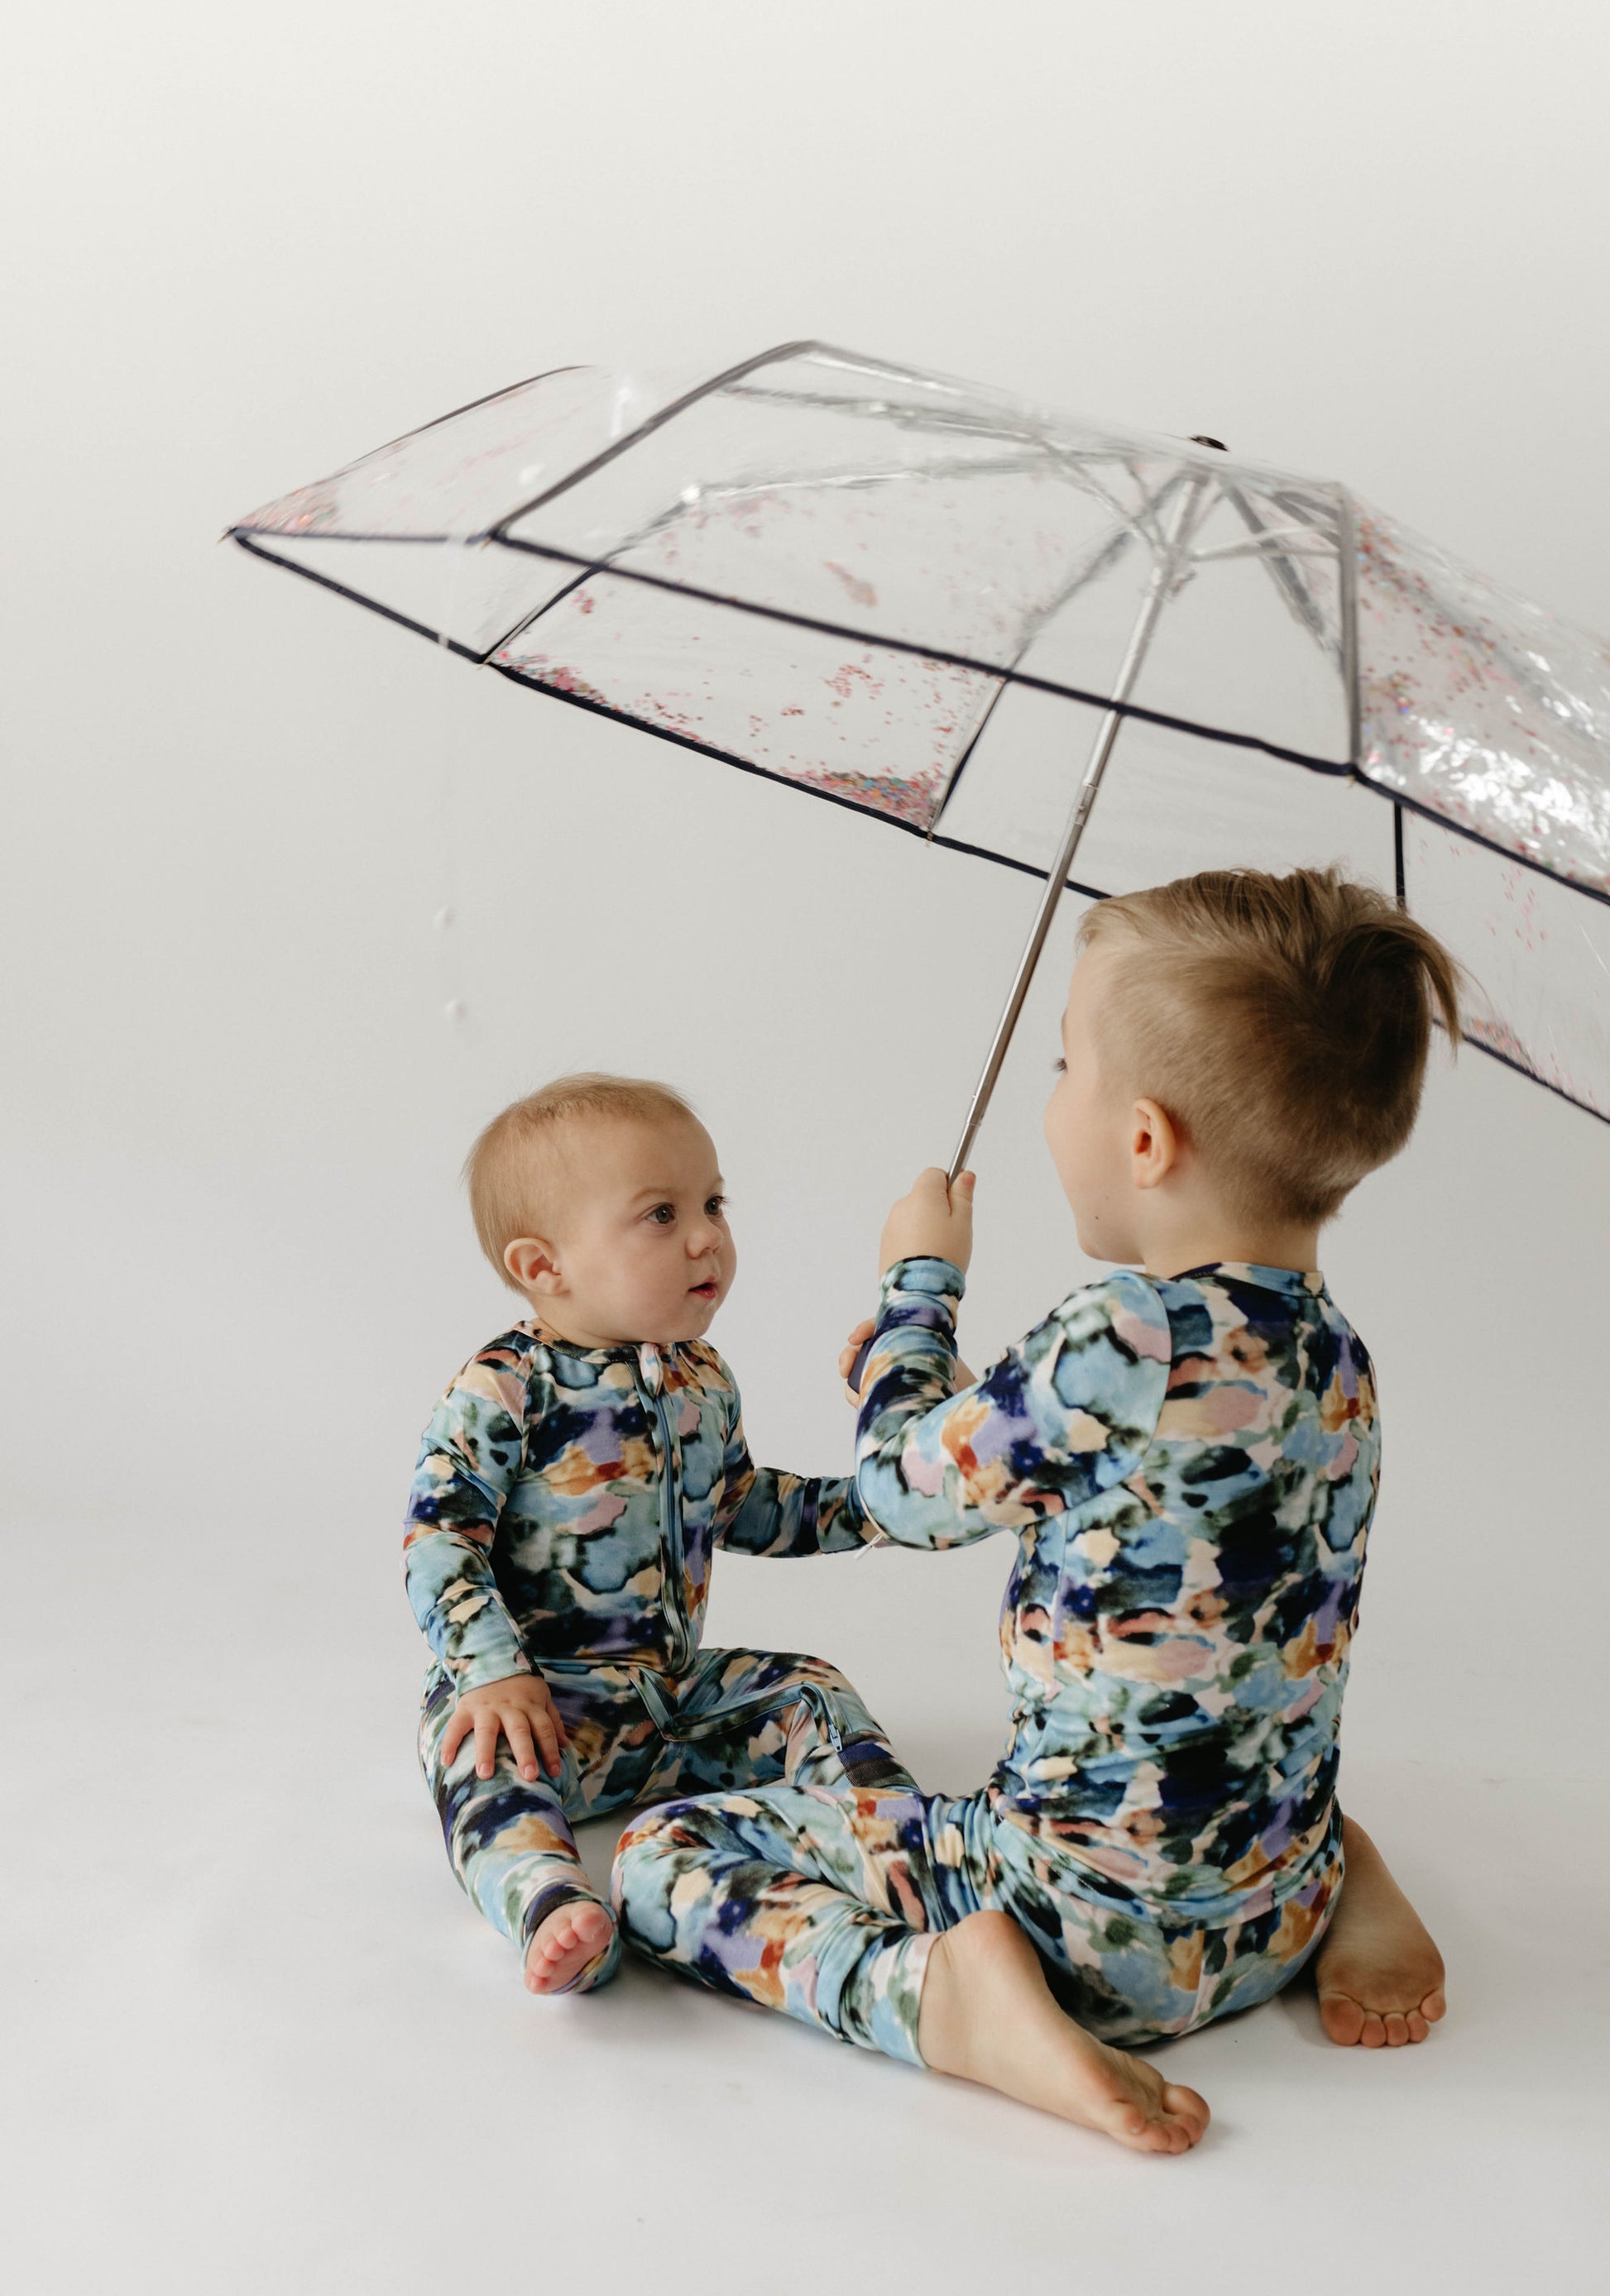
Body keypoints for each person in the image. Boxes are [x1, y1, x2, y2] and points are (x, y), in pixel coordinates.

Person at [612, 868, 1453, 2152]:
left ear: (1144, 1140)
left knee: (661, 1860)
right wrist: (956, 1393)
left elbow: (901, 1486)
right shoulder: (1330, 1354)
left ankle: (951, 2006)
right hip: (1253, 1908)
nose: (1048, 1098)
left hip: (1083, 1929)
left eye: (1064, 1068)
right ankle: (1330, 1877)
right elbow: (1109, 1491)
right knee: (1237, 1721)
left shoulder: (1119, 1334)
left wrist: (916, 1291)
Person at [404, 1073, 890, 1997]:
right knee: (474, 1761)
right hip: (541, 1703)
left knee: (808, 1686)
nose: (707, 1234)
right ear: (544, 1267)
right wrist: (490, 1669)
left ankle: (885, 1829)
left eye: (711, 1203)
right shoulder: (506, 1387)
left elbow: (742, 1503)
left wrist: (876, 1506)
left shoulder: (702, 1379)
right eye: (660, 1215)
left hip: (669, 1704)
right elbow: (438, 1539)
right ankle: (547, 1899)